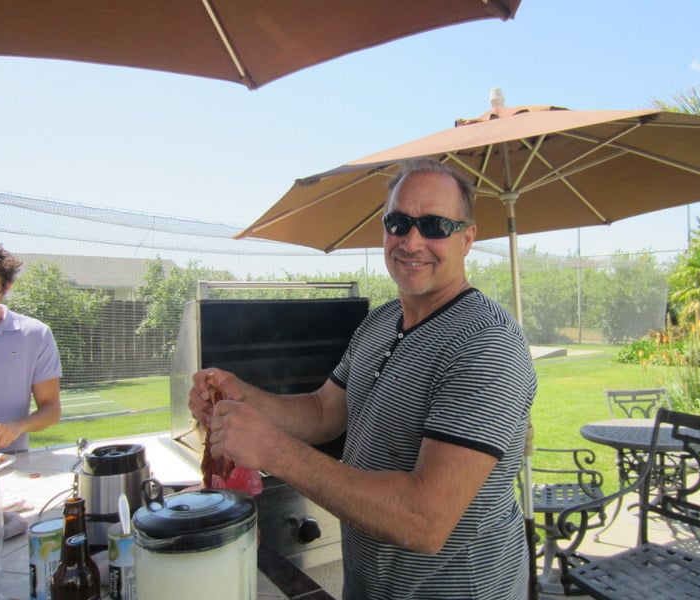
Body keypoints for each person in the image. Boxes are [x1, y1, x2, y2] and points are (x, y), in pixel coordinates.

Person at [189, 159, 537, 599]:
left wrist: (274, 450)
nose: (411, 241)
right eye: (398, 222)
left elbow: (424, 519)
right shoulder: (380, 322)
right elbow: (324, 412)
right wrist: (245, 398)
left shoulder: (486, 343)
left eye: (434, 226)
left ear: (467, 238)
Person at [0, 242, 62, 453]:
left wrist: (17, 426)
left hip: (9, 463)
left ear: (7, 287)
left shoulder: (34, 334)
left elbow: (51, 409)